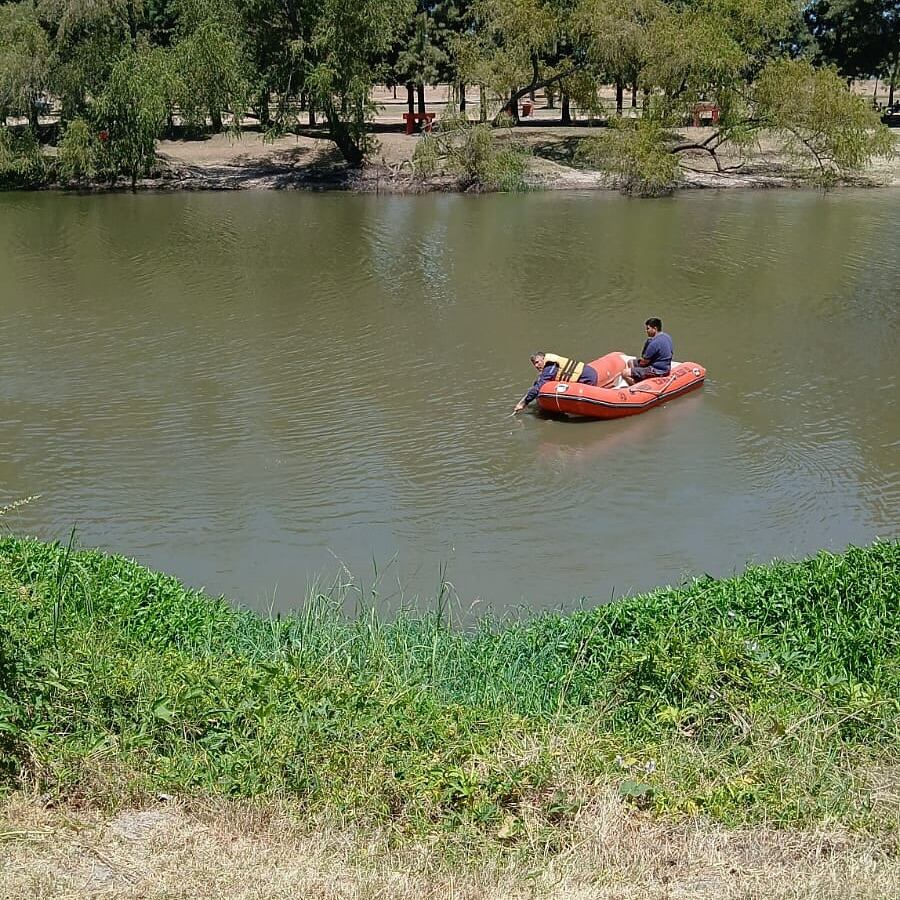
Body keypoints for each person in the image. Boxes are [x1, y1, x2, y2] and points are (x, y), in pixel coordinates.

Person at [513, 352, 598, 413]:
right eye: (534, 364)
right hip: (584, 376)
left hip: (588, 379)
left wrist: (524, 403)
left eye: (537, 362)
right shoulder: (549, 367)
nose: (536, 366)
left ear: (543, 359)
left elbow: (539, 386)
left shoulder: (551, 365)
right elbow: (538, 383)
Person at [623, 318, 673, 385]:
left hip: (657, 370)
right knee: (630, 362)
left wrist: (639, 367)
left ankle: (637, 387)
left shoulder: (654, 343)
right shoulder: (667, 337)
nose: (646, 331)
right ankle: (639, 377)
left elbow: (644, 362)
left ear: (654, 329)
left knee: (625, 373)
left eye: (648, 328)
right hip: (665, 367)